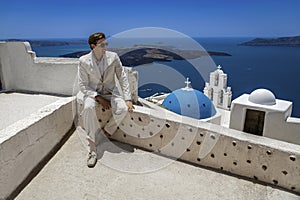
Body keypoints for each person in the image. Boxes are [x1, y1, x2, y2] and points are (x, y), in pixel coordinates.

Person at [78, 32, 134, 168]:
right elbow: (83, 85)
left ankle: (107, 131)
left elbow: (122, 77)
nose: (105, 46)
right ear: (93, 46)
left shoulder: (113, 57)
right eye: (102, 44)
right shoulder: (83, 61)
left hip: (111, 92)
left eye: (106, 43)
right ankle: (92, 149)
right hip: (93, 94)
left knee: (122, 109)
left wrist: (128, 98)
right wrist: (97, 97)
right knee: (88, 108)